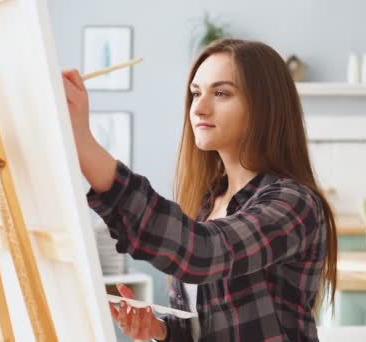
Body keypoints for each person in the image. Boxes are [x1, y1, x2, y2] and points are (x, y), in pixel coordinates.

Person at [62, 38, 337, 342]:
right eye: (195, 93)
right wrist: (163, 330)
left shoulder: (293, 203)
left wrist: (83, 142)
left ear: (264, 107)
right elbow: (207, 324)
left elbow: (203, 253)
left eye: (221, 93)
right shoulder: (210, 203)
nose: (199, 108)